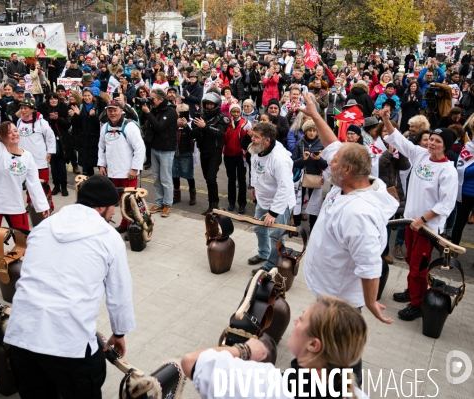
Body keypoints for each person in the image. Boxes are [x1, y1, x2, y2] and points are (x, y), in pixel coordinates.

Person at [4, 175, 135, 399]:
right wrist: (119, 332)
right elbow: (119, 293)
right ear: (101, 207)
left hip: (22, 336)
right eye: (113, 207)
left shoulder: (43, 227)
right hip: (69, 344)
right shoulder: (109, 238)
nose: (113, 213)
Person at [300, 92, 396, 325]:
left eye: (334, 162)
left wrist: (370, 301)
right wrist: (314, 114)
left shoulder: (359, 214)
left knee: (338, 353)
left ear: (347, 170)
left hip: (339, 301)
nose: (328, 161)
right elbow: (332, 144)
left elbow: (370, 262)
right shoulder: (349, 182)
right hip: (327, 288)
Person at [182, 295, 370, 399]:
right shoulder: (356, 395)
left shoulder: (261, 384)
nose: (296, 320)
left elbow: (191, 362)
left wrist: (243, 350)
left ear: (314, 345)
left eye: (303, 319)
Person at [383, 112, 458, 321]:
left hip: (427, 227)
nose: (432, 143)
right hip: (410, 221)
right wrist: (387, 120)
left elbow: (446, 204)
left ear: (446, 146)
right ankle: (412, 290)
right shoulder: (421, 155)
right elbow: (397, 139)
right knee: (409, 259)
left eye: (437, 141)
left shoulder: (447, 171)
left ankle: (417, 304)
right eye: (431, 139)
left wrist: (423, 219)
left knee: (419, 265)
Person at [0, 95, 50, 282]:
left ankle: (25, 267)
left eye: (16, 130)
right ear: (1, 137)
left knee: (23, 237)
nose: (14, 134)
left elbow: (33, 183)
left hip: (14, 202)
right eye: (9, 132)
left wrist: (42, 207)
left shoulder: (27, 156)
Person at [245, 121, 295, 274]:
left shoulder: (280, 159)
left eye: (256, 137)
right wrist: (254, 185)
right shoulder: (256, 150)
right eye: (253, 135)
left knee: (276, 235)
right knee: (258, 228)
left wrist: (273, 213)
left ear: (267, 140)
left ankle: (272, 263)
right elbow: (254, 169)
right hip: (263, 199)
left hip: (279, 204)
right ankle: (263, 253)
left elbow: (284, 187)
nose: (252, 139)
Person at [98, 100, 145, 233]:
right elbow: (101, 148)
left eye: (115, 110)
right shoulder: (105, 127)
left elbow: (139, 148)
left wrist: (135, 168)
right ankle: (125, 224)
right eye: (110, 110)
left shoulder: (129, 126)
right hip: (113, 171)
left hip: (128, 172)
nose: (112, 113)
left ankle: (134, 226)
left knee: (131, 201)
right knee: (120, 200)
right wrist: (102, 165)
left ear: (121, 111)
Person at [191, 91, 229, 215]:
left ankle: (214, 205)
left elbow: (220, 133)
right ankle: (211, 204)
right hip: (204, 151)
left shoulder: (223, 118)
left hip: (215, 151)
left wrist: (205, 126)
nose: (208, 106)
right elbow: (194, 133)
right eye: (207, 104)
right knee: (207, 178)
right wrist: (192, 126)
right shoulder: (202, 116)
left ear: (216, 104)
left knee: (211, 178)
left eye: (211, 104)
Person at [16, 99, 57, 213]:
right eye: (22, 108)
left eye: (26, 108)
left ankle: (48, 204)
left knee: (43, 183)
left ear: (32, 109)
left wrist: (50, 152)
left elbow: (50, 137)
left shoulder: (41, 122)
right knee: (29, 184)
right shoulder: (19, 121)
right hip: (25, 159)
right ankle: (31, 204)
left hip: (39, 159)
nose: (23, 111)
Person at [144, 88, 178, 218]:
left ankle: (167, 204)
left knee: (165, 179)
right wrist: (147, 111)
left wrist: (148, 113)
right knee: (156, 178)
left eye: (152, 99)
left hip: (166, 150)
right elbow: (148, 124)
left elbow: (158, 127)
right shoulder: (155, 109)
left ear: (161, 99)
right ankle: (159, 202)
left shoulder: (170, 111)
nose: (151, 101)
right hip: (155, 148)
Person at [290, 119, 327, 231]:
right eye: (309, 130)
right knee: (298, 202)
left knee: (314, 204)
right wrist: (303, 160)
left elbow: (326, 164)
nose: (311, 133)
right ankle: (296, 227)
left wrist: (318, 159)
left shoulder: (322, 145)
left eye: (314, 130)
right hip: (300, 179)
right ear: (305, 132)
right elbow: (292, 162)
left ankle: (313, 228)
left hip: (315, 178)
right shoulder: (299, 144)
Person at [39, 92, 73, 196]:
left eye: (55, 99)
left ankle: (64, 186)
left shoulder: (63, 109)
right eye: (51, 99)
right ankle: (56, 185)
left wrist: (57, 119)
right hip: (49, 142)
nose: (53, 100)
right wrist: (50, 119)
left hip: (62, 141)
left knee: (62, 165)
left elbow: (68, 124)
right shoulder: (43, 112)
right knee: (53, 165)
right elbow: (41, 125)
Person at [223, 104, 250, 214]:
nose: (235, 114)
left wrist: (242, 130)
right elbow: (224, 140)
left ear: (240, 112)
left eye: (237, 111)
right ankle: (231, 202)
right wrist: (232, 129)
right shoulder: (227, 124)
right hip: (228, 155)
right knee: (231, 179)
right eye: (233, 111)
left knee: (242, 180)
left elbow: (246, 141)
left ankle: (242, 204)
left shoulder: (246, 123)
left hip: (240, 156)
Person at [172, 103, 197, 206]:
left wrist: (186, 126)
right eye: (179, 112)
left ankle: (193, 196)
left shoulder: (192, 123)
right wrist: (175, 125)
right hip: (174, 152)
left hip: (186, 152)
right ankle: (177, 195)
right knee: (175, 175)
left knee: (189, 175)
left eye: (183, 112)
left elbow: (193, 135)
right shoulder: (174, 122)